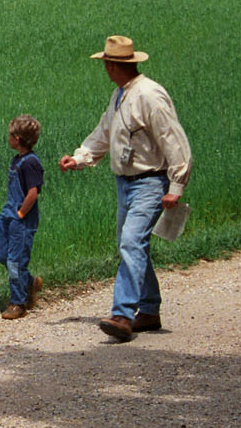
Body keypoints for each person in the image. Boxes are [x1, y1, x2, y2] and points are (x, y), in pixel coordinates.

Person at [58, 35, 192, 342]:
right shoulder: (119, 95)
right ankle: (148, 310)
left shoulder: (149, 95)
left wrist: (176, 185)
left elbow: (174, 139)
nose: (105, 67)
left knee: (131, 243)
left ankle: (122, 315)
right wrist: (79, 158)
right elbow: (104, 134)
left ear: (115, 64)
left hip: (149, 181)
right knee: (129, 243)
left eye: (107, 62)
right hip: (125, 182)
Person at [0, 115, 45, 320]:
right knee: (3, 256)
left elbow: (32, 193)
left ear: (17, 138)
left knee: (15, 261)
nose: (7, 138)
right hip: (8, 215)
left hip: (21, 220)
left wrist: (21, 214)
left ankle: (18, 303)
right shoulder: (17, 160)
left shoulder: (30, 163)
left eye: (9, 135)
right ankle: (30, 283)